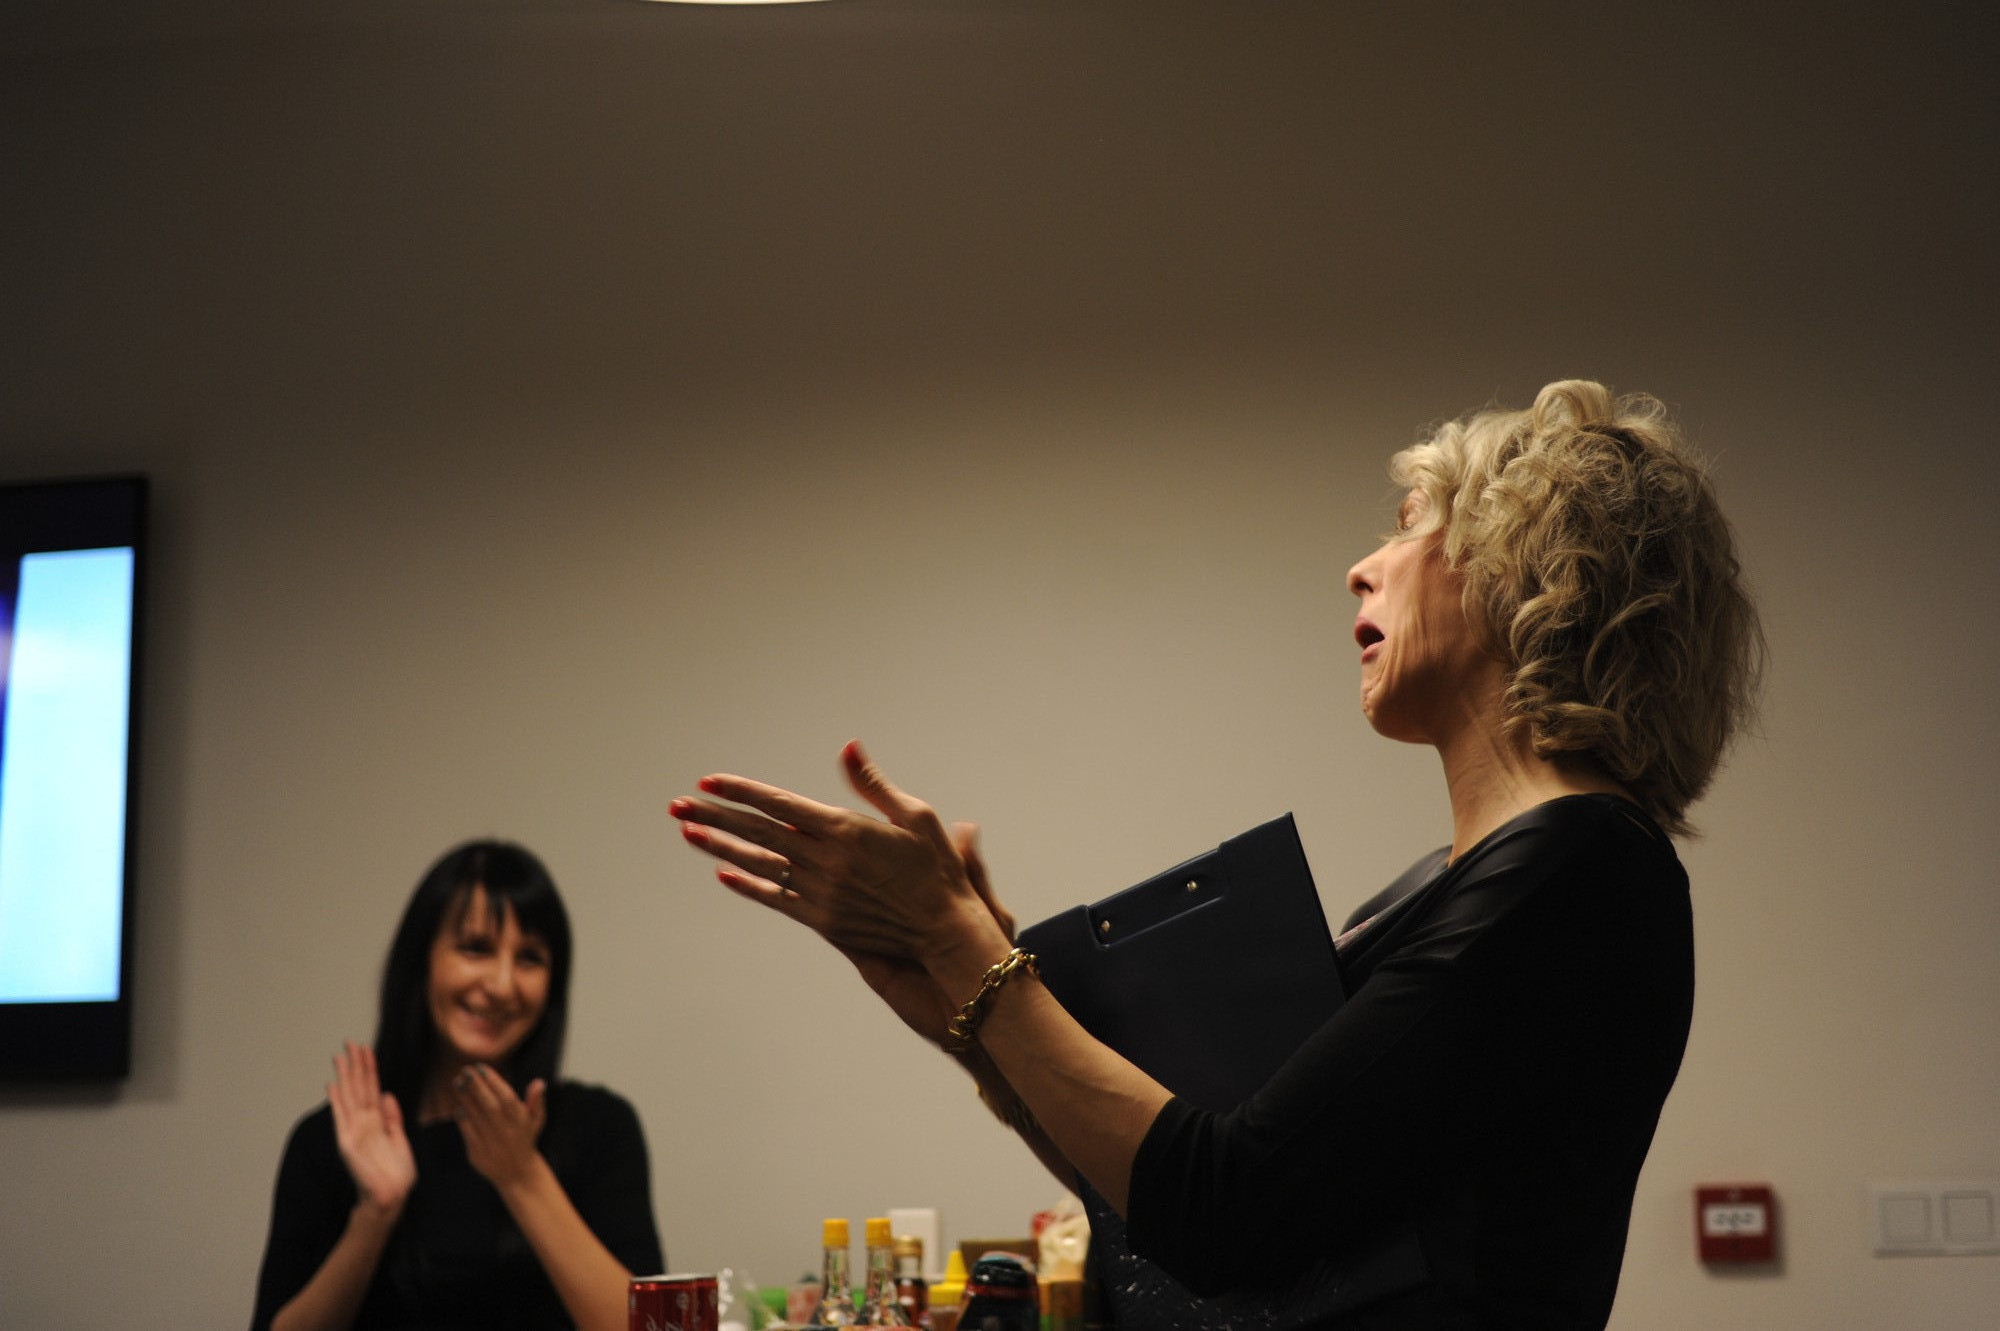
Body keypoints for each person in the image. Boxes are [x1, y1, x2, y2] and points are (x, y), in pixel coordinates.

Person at [671, 379, 1763, 1328]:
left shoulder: (1575, 873)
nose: (1361, 567)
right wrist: (976, 1012)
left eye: (1413, 526)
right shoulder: (1473, 882)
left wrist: (970, 957)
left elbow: (1226, 1207)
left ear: (1529, 571)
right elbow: (1171, 1214)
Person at [251, 840, 664, 1331]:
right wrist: (375, 1216)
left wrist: (521, 1176)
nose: (503, 985)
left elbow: (649, 1326)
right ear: (421, 958)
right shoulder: (332, 1141)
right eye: (476, 949)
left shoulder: (600, 1128)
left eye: (530, 958)